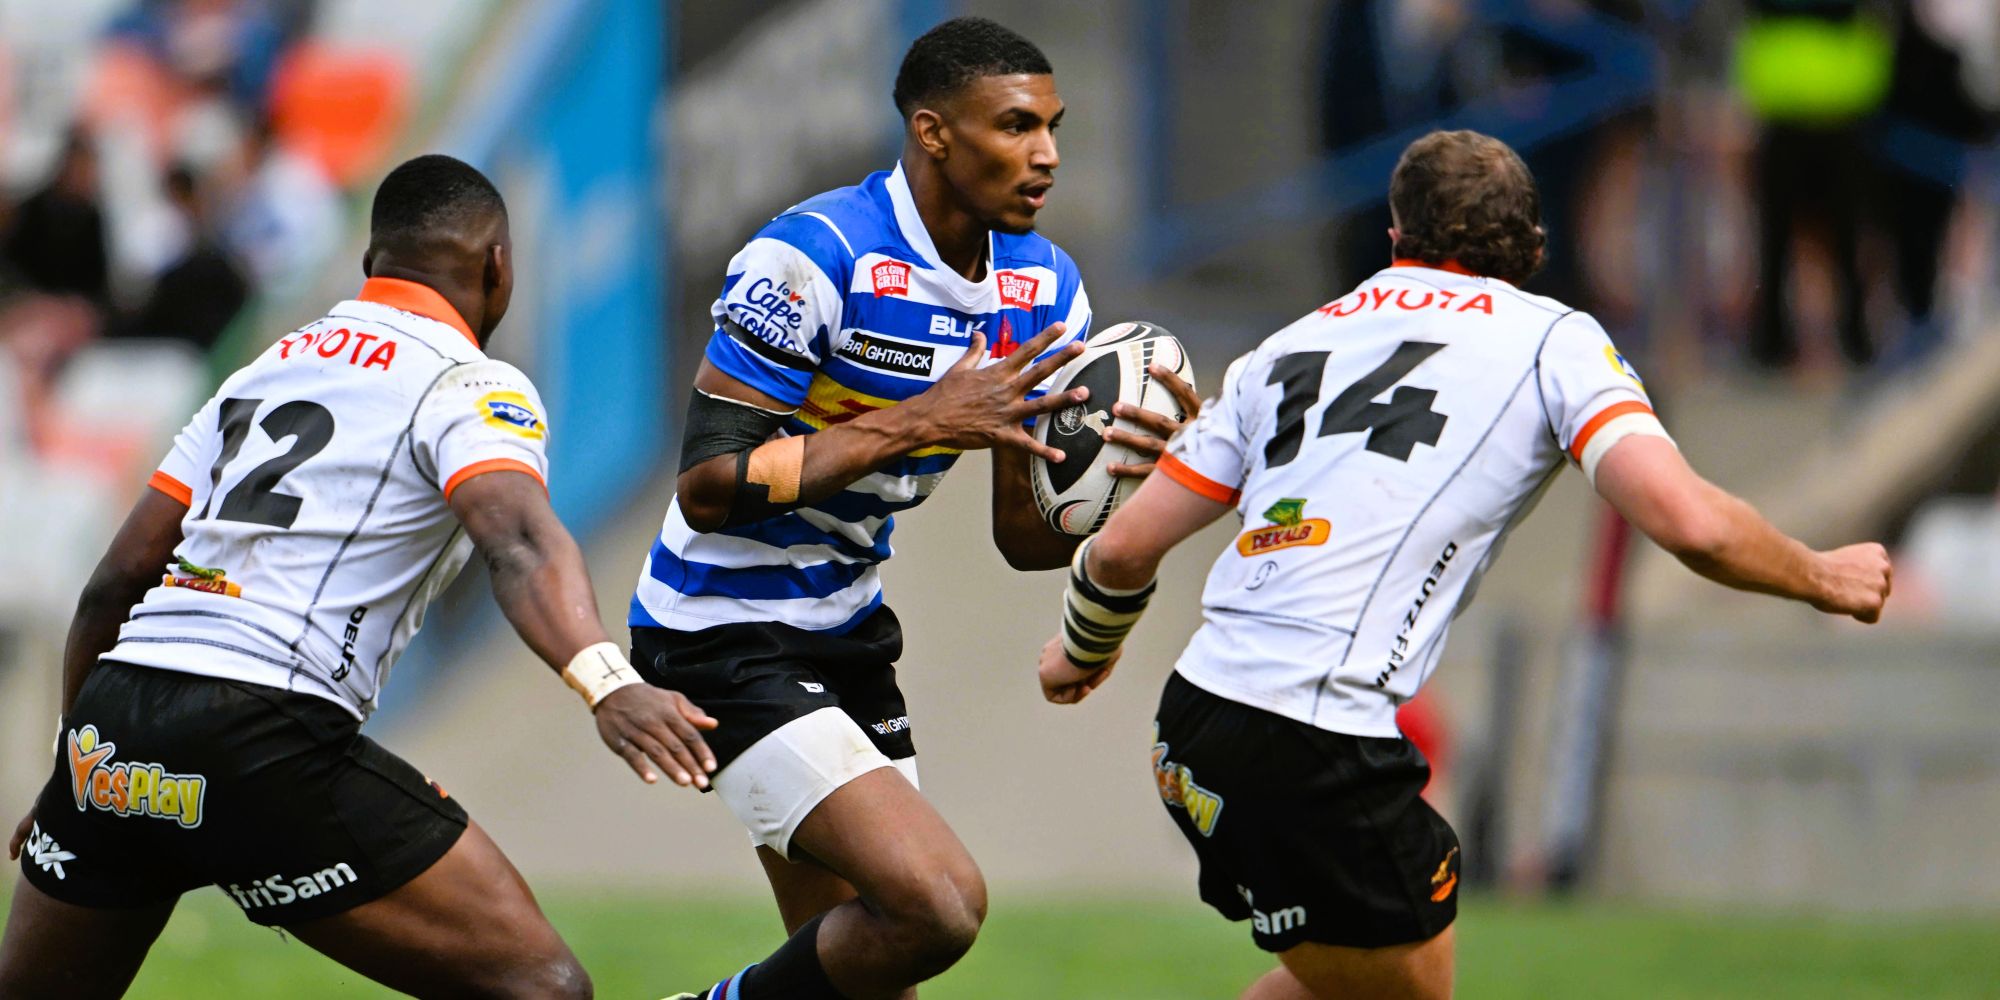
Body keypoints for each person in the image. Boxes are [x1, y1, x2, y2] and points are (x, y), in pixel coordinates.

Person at [1033, 130, 1893, 1000]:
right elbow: (1693, 526)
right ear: (1533, 246)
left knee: (1352, 986)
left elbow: (1122, 547)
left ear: (1395, 239)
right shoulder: (1554, 340)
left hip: (1196, 721)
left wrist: (1082, 649)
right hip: (1312, 731)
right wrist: (1823, 575)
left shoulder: (1285, 348)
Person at [0, 154, 716, 999]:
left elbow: (116, 581)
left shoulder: (264, 368)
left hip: (117, 716)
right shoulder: (468, 380)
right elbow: (519, 540)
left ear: (372, 262)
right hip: (259, 722)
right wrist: (606, 681)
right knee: (542, 986)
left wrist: (74, 766)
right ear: (498, 266)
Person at [638, 17, 1195, 1000]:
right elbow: (709, 485)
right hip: (718, 626)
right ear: (934, 132)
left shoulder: (1045, 290)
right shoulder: (814, 256)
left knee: (872, 972)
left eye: (1052, 127)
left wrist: (1124, 475)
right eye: (1015, 126)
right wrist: (920, 418)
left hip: (847, 630)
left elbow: (1024, 538)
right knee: (937, 904)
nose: (1046, 154)